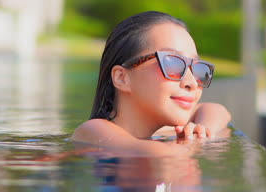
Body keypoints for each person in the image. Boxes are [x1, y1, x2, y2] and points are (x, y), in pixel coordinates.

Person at [72, 11, 231, 156]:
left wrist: (202, 130)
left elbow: (217, 110)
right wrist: (194, 143)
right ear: (122, 78)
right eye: (172, 63)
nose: (192, 83)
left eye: (196, 68)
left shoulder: (161, 130)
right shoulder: (95, 131)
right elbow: (163, 155)